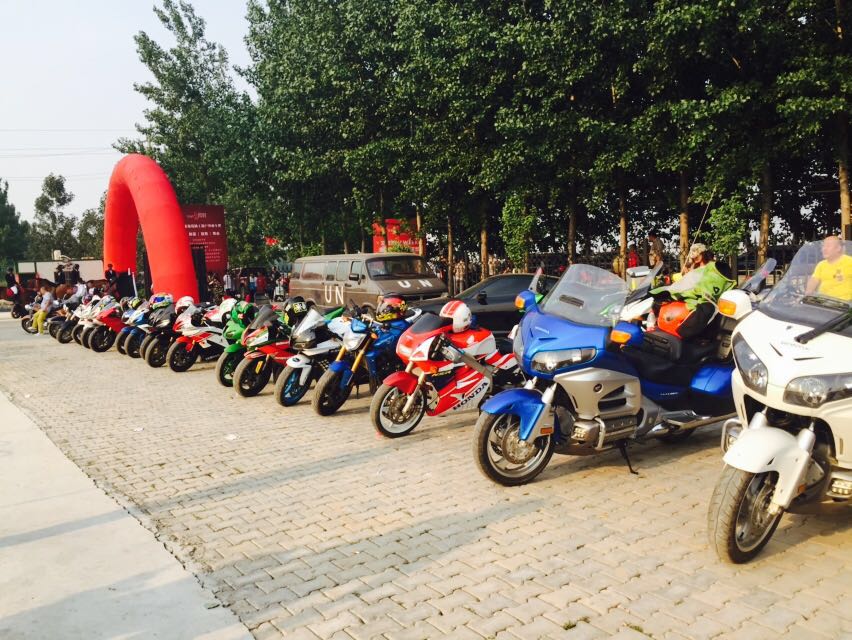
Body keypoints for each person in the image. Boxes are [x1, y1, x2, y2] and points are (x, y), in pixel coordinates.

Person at [806, 235, 852, 301]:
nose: (824, 249)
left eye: (828, 246)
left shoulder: (849, 262)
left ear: (838, 248)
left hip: (844, 304)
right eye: (823, 246)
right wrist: (807, 294)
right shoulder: (821, 265)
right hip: (823, 302)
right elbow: (813, 281)